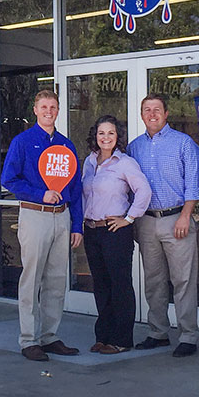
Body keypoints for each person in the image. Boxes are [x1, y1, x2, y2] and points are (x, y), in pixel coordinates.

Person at [0, 89, 84, 361]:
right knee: (32, 278)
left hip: (62, 216)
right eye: (44, 107)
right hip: (35, 214)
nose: (49, 111)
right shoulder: (23, 142)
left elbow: (77, 188)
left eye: (53, 107)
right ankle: (29, 340)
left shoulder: (66, 145)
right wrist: (40, 194)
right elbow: (8, 180)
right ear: (35, 110)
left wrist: (77, 226)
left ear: (58, 111)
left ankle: (50, 336)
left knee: (57, 280)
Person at [126, 93, 199, 357]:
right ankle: (158, 332)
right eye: (147, 110)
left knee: (183, 280)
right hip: (147, 221)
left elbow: (195, 182)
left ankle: (188, 336)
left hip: (177, 219)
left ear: (166, 113)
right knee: (154, 280)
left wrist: (186, 215)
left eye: (157, 109)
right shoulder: (134, 148)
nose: (152, 114)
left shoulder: (183, 144)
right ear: (141, 114)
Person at [80, 114, 152, 354]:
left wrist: (129, 219)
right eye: (102, 133)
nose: (106, 137)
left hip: (115, 231)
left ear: (118, 136)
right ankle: (104, 336)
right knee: (101, 285)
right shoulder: (89, 162)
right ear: (95, 136)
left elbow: (143, 191)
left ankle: (121, 340)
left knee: (120, 285)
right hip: (92, 231)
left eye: (111, 133)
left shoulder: (125, 163)